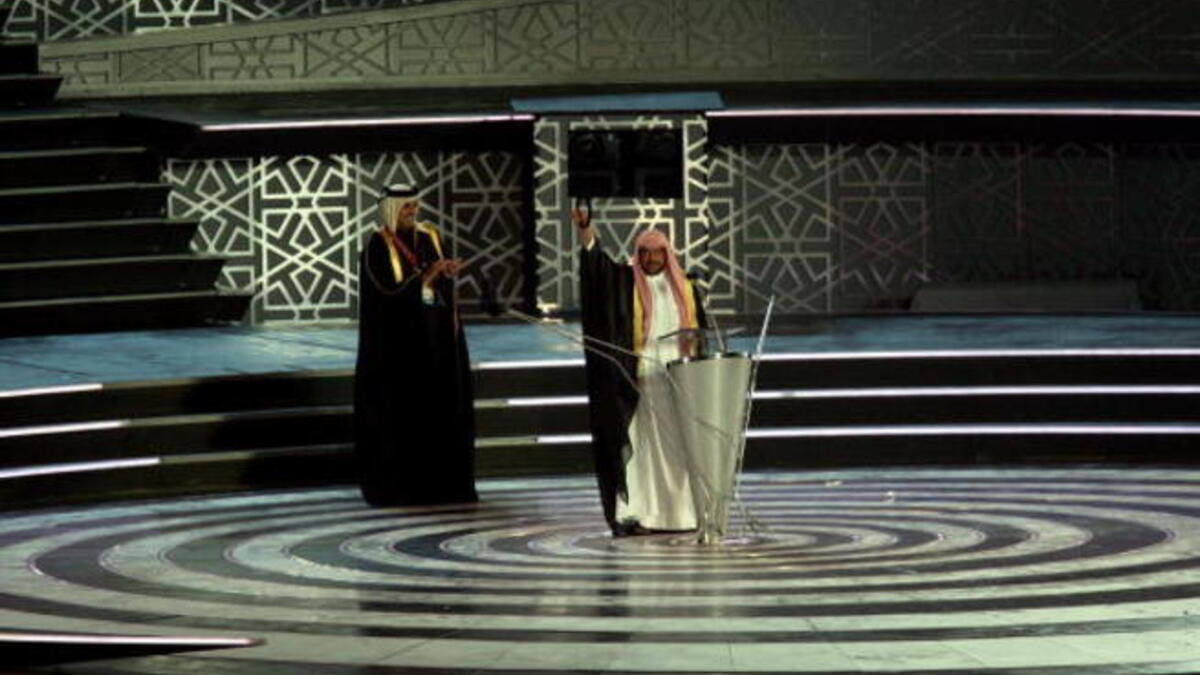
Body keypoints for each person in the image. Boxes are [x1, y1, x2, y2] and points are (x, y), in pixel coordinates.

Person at [574, 204, 708, 536]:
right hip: (642, 384)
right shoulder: (625, 282)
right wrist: (586, 229)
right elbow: (597, 268)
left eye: (657, 253)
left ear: (667, 254)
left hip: (680, 380)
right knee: (643, 451)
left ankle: (683, 515)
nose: (650, 259)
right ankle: (642, 513)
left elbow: (701, 333)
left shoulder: (687, 288)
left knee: (681, 451)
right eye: (645, 253)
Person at [354, 184, 477, 506]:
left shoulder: (429, 237)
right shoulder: (376, 247)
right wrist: (424, 280)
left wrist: (445, 273)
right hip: (399, 348)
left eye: (415, 206)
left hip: (435, 338)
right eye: (407, 207)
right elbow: (383, 295)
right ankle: (404, 488)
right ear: (393, 209)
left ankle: (445, 485)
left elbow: (438, 281)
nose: (414, 212)